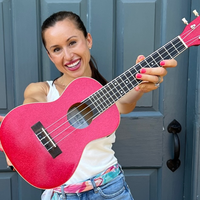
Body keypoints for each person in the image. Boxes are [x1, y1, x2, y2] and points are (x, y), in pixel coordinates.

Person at [2, 11, 177, 200]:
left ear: (88, 40)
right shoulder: (41, 90)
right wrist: (15, 134)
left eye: (72, 42)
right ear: (50, 56)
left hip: (110, 191)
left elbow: (126, 102)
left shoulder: (108, 94)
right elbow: (31, 103)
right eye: (56, 49)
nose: (68, 56)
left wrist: (140, 85)